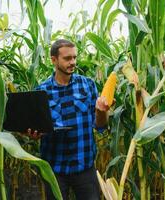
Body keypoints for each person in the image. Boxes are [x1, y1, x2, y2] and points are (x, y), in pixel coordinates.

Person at [27, 39, 110, 200]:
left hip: (84, 166)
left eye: (74, 57)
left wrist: (101, 112)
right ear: (53, 60)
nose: (72, 62)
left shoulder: (88, 85)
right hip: (55, 169)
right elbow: (36, 130)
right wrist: (34, 134)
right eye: (67, 58)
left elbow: (101, 126)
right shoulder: (41, 92)